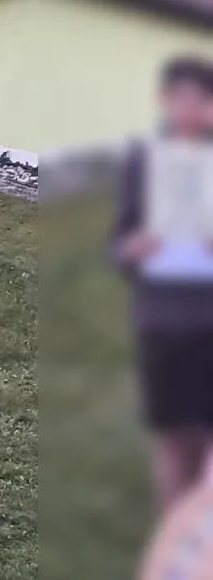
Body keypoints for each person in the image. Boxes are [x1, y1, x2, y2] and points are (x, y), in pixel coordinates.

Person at [110, 55, 213, 514]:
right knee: (173, 437)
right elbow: (118, 244)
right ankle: (174, 535)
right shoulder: (144, 162)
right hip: (163, 322)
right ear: (164, 102)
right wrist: (135, 248)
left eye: (201, 99)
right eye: (180, 98)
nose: (190, 109)